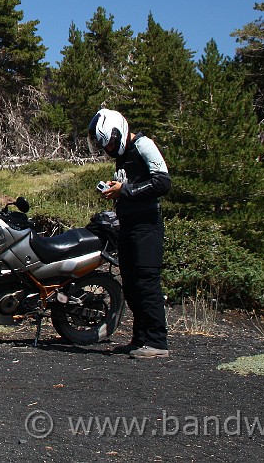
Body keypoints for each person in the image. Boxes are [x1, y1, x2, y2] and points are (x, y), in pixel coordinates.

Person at [89, 108, 171, 359]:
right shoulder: (122, 155)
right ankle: (140, 339)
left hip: (146, 226)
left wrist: (124, 191)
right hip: (128, 224)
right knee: (132, 284)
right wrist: (117, 190)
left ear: (119, 130)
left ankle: (157, 342)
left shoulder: (144, 145)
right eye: (106, 146)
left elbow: (162, 183)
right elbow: (131, 185)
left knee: (146, 283)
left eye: (112, 143)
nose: (110, 149)